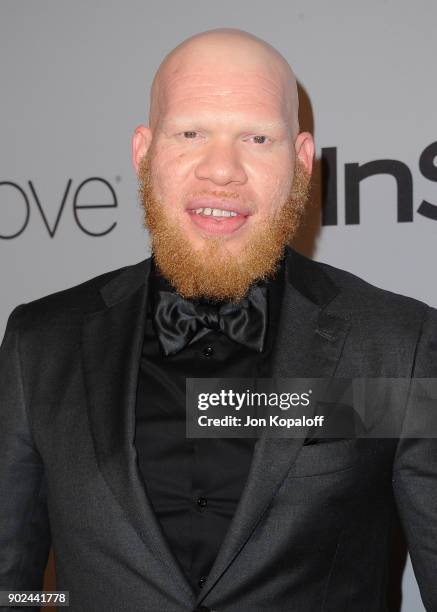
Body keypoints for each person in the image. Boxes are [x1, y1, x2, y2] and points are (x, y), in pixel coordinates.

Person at [0, 28, 436, 612]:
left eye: (257, 137)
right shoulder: (39, 344)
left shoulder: (397, 346)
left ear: (301, 162)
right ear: (143, 151)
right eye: (190, 133)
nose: (222, 170)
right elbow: (13, 587)